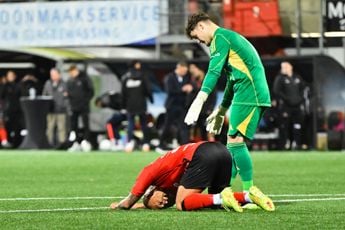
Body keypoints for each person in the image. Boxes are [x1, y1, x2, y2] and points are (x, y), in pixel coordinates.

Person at [184, 12, 274, 211]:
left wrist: (200, 98)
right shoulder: (228, 39)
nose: (200, 41)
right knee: (231, 144)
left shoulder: (220, 38)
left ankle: (250, 193)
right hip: (248, 92)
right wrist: (221, 109)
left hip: (250, 93)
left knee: (235, 143)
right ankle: (226, 192)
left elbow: (213, 72)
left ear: (201, 26)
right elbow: (231, 81)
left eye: (197, 36)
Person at [110, 141, 245, 212]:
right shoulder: (172, 188)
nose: (163, 203)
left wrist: (120, 205)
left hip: (203, 153)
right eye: (162, 206)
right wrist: (143, 205)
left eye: (157, 203)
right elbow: (142, 202)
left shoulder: (150, 172)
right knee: (218, 204)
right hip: (223, 153)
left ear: (151, 191)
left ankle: (223, 197)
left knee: (182, 204)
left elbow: (128, 203)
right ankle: (250, 197)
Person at [156, 61, 194, 152]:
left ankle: (186, 147)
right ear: (179, 67)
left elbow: (191, 88)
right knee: (167, 126)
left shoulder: (187, 78)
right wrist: (183, 89)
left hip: (182, 106)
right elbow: (170, 91)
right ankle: (161, 144)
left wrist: (190, 88)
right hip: (172, 106)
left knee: (184, 126)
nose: (185, 73)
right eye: (184, 71)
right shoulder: (169, 77)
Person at [273, 61, 306, 150]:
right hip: (286, 107)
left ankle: (297, 143)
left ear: (290, 67)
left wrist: (300, 99)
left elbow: (303, 89)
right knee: (285, 125)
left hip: (297, 106)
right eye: (282, 67)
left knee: (297, 125)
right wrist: (286, 99)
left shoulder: (297, 78)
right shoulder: (280, 78)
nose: (283, 69)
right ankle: (285, 143)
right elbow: (276, 91)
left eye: (285, 67)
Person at [121, 60, 153, 152]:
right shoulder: (142, 76)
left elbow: (123, 93)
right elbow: (148, 89)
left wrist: (123, 106)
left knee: (131, 123)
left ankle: (129, 143)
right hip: (141, 104)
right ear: (135, 65)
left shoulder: (125, 77)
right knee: (143, 124)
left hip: (130, 105)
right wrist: (151, 99)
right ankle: (145, 143)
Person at [66, 65, 94, 152]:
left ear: (76, 70)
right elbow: (69, 93)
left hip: (84, 106)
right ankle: (75, 143)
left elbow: (91, 91)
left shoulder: (85, 78)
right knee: (74, 126)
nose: (71, 74)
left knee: (86, 124)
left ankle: (85, 141)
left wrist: (85, 101)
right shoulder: (70, 81)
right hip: (74, 107)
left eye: (73, 72)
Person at [188, 63, 217, 142]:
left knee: (205, 130)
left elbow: (213, 96)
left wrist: (210, 109)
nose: (193, 71)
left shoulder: (208, 81)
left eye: (195, 69)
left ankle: (206, 146)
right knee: (194, 130)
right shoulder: (193, 82)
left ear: (200, 70)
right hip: (196, 111)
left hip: (206, 110)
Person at [42, 68, 69, 148]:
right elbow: (44, 95)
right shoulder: (48, 83)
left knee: (62, 128)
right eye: (51, 75)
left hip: (61, 110)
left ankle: (62, 144)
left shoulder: (64, 84)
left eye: (54, 74)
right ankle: (49, 144)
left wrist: (65, 105)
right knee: (50, 128)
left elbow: (67, 97)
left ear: (59, 74)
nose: (53, 76)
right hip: (50, 110)